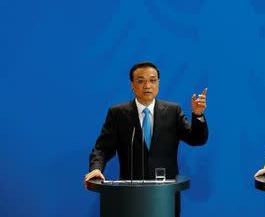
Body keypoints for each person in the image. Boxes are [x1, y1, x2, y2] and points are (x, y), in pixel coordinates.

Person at [84, 61, 208, 216]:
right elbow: (102, 148)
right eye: (141, 81)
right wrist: (96, 168)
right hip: (129, 195)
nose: (147, 85)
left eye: (152, 80)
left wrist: (198, 115)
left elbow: (196, 139)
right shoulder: (118, 113)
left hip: (165, 196)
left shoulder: (172, 111)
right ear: (132, 85)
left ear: (158, 83)